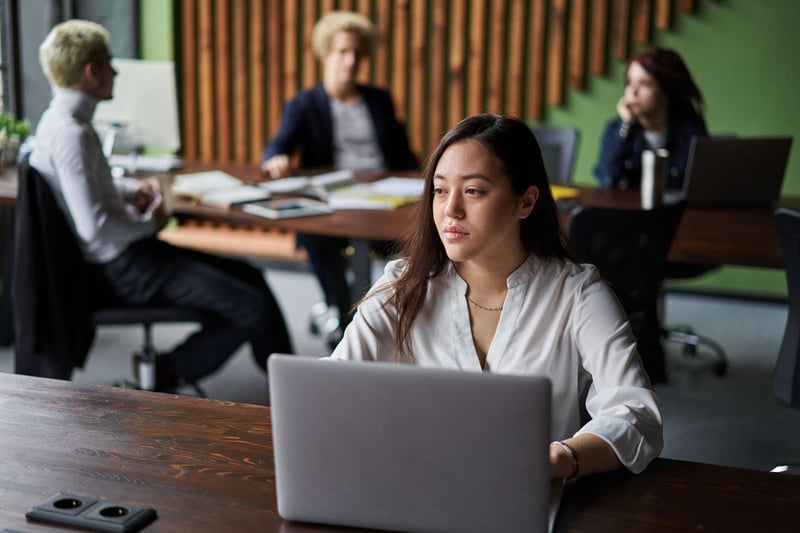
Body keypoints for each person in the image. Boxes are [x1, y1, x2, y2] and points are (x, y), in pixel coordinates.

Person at [330, 114, 663, 479]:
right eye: (440, 190)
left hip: (526, 498)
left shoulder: (576, 293)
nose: (450, 210)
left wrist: (563, 458)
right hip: (415, 485)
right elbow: (331, 387)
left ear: (526, 202)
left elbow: (635, 413)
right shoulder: (403, 284)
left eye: (473, 191)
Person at [29, 19, 292, 387]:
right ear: (91, 72)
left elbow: (84, 187)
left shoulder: (57, 121)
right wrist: (150, 224)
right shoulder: (72, 134)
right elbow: (95, 227)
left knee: (251, 275)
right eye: (109, 63)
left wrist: (126, 189)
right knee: (252, 306)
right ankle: (170, 370)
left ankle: (287, 377)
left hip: (132, 255)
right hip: (126, 267)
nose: (115, 71)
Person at [261, 11, 417, 346]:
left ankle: (386, 320)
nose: (351, 61)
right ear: (325, 54)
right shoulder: (304, 104)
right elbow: (278, 146)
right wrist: (275, 159)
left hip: (385, 200)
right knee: (314, 232)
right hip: (335, 203)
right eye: (343, 52)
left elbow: (404, 155)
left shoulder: (379, 100)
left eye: (357, 54)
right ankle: (345, 318)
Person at [594, 47, 707, 190]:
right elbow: (606, 178)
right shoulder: (618, 129)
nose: (632, 92)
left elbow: (700, 186)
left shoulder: (690, 132)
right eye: (629, 82)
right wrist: (626, 125)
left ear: (665, 91)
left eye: (644, 84)